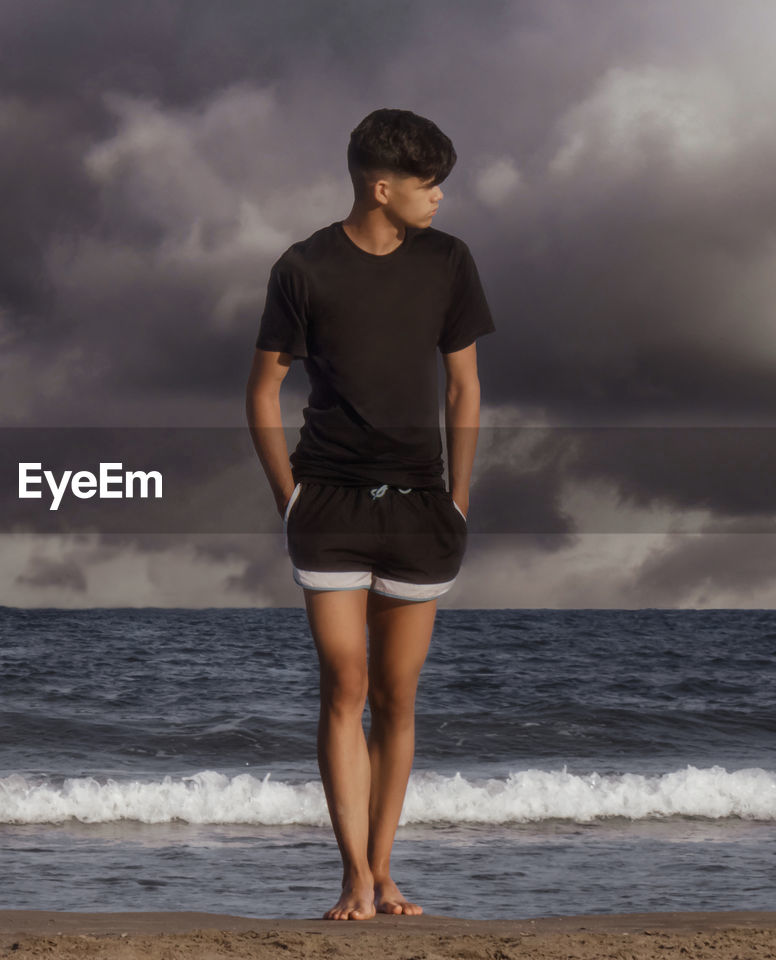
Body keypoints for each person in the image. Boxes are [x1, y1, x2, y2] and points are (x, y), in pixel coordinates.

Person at [245, 108, 496, 920]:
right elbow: (261, 393)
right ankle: (352, 874)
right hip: (330, 503)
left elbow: (464, 387)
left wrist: (459, 498)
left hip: (423, 504)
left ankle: (385, 874)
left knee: (396, 696)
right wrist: (291, 501)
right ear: (381, 187)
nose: (440, 200)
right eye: (430, 186)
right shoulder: (303, 268)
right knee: (343, 683)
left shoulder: (449, 263)